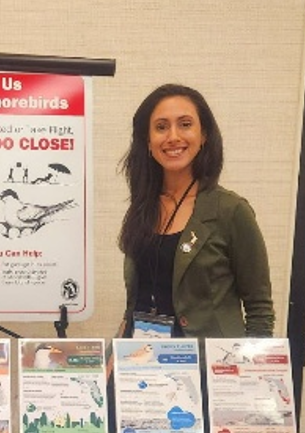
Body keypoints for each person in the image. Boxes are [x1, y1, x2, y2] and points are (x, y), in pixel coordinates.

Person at [117, 83, 274, 340]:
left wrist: (250, 374)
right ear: (147, 141)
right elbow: (136, 301)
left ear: (204, 136)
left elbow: (259, 310)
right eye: (161, 127)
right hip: (142, 364)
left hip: (209, 369)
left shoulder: (231, 210)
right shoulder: (142, 207)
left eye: (185, 124)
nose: (173, 136)